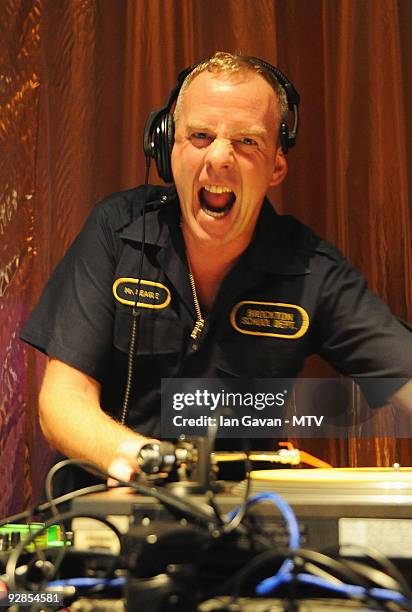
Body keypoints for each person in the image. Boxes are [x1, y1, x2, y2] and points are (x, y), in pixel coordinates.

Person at [21, 52, 412, 490]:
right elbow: (60, 403)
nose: (220, 159)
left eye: (247, 141)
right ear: (168, 149)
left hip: (236, 533)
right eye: (201, 135)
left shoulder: (311, 268)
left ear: (276, 167)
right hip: (104, 518)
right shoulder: (116, 228)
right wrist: (142, 461)